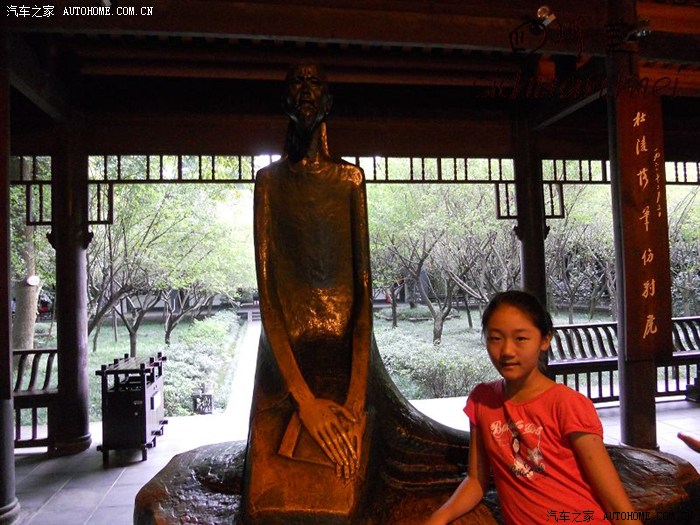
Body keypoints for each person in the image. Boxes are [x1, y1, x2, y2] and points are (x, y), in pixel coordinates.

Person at [425, 290, 642, 525]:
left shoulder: (567, 404)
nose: (507, 351)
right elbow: (476, 480)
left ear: (545, 340)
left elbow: (615, 502)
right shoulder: (482, 401)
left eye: (520, 339)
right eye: (495, 338)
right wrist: (437, 519)